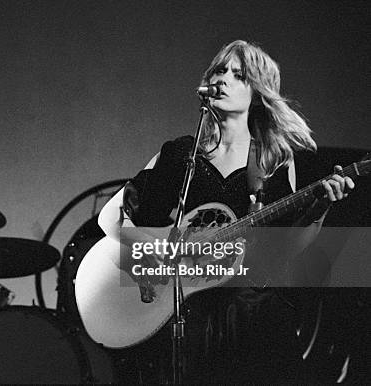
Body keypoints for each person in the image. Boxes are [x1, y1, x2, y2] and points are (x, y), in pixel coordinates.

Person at [97, 40, 354, 383]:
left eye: (239, 75)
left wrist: (320, 207)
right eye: (220, 70)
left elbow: (287, 248)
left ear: (257, 92)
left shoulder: (273, 159)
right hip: (186, 313)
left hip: (249, 313)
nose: (224, 79)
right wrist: (156, 251)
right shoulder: (180, 154)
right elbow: (111, 217)